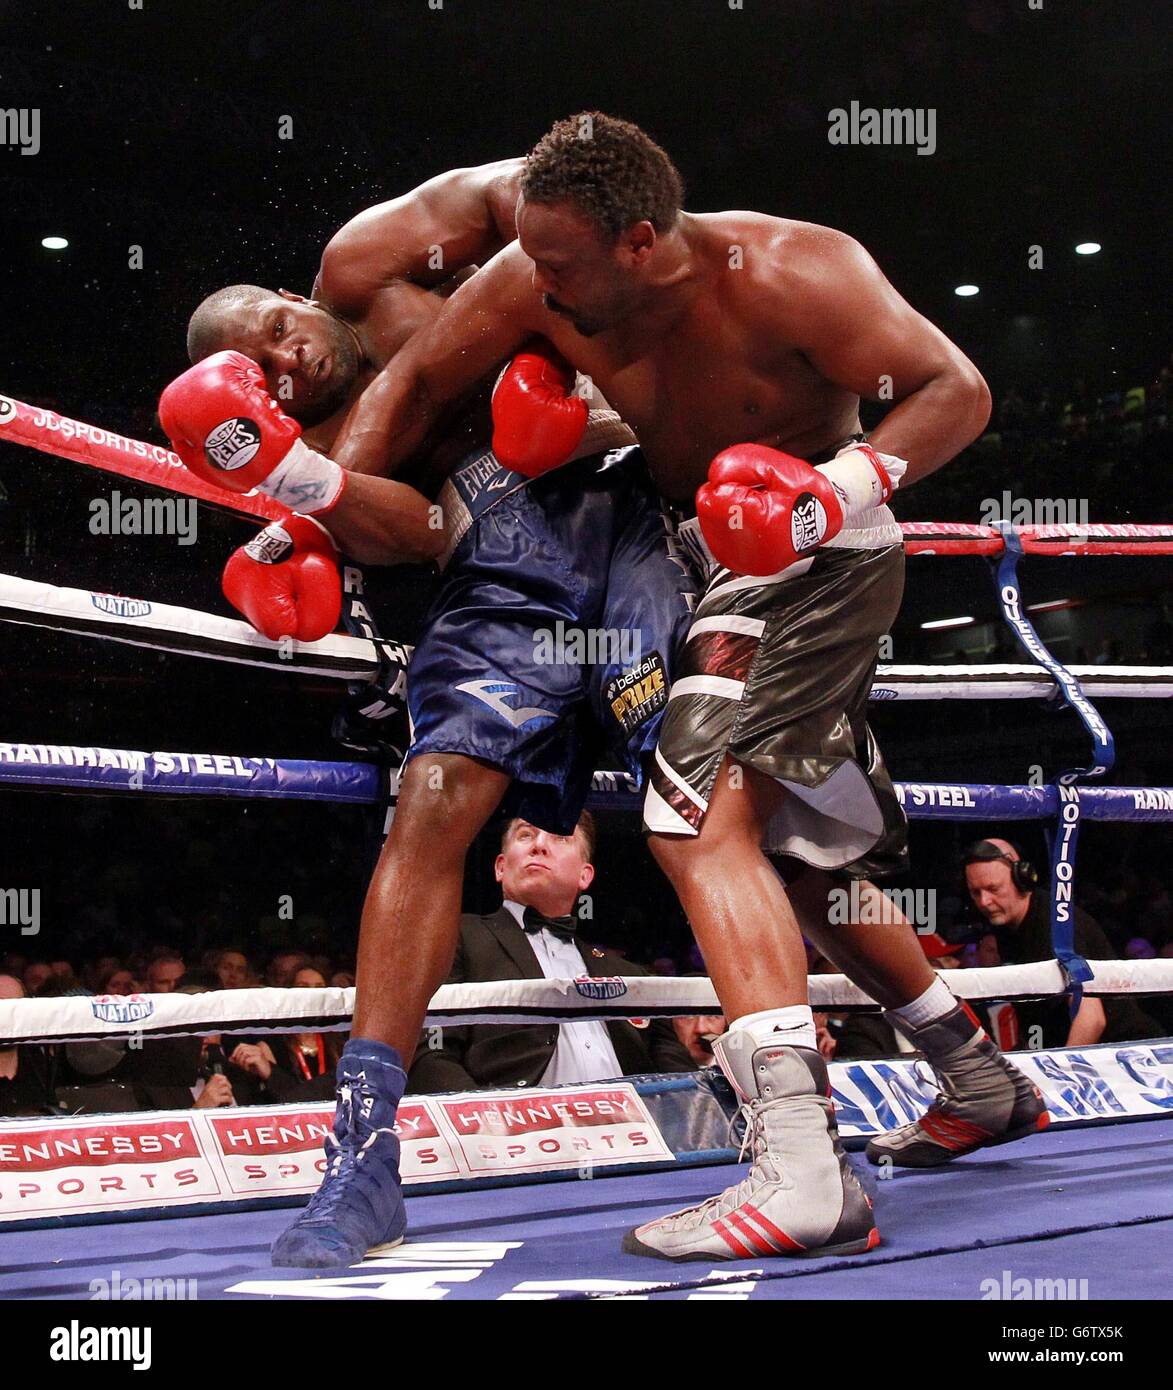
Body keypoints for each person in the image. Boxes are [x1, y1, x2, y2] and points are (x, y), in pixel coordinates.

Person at [326, 111, 1047, 1262]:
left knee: (691, 815)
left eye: (561, 267)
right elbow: (414, 378)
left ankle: (804, 1172)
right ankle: (977, 1074)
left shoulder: (799, 270)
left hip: (816, 554)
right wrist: (313, 500)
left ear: (644, 241)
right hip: (689, 556)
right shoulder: (539, 273)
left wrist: (830, 489)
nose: (537, 291)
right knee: (799, 851)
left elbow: (954, 389)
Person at [164, 158, 695, 1267]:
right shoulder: (314, 450)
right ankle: (362, 1162)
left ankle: (819, 1098)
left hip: (623, 486)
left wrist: (577, 357)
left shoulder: (371, 255)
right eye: (260, 374)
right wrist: (303, 489)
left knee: (702, 788)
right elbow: (412, 536)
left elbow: (537, 196)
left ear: (289, 292)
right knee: (432, 796)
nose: (285, 357)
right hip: (491, 560)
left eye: (273, 325)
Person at [409, 814, 692, 1092]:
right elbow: (430, 1053)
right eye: (525, 835)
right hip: (515, 1128)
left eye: (560, 836)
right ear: (500, 867)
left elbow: (681, 1081)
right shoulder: (458, 937)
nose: (539, 845)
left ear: (585, 875)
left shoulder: (628, 974)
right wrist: (486, 1125)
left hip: (631, 1128)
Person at [963, 839, 1161, 1047]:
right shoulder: (1007, 926)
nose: (984, 901)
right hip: (1082, 1050)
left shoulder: (1056, 924)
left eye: (993, 888)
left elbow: (1092, 1019)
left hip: (1126, 1052)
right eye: (976, 892)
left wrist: (1061, 1073)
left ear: (1021, 878)